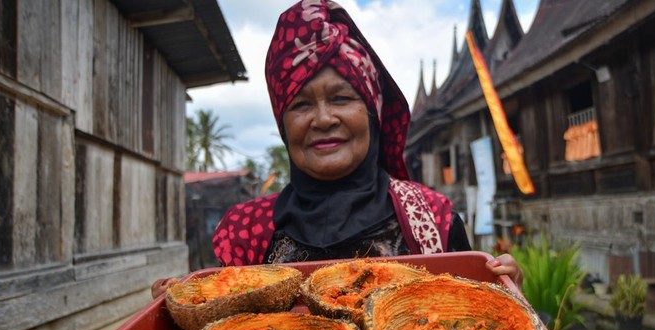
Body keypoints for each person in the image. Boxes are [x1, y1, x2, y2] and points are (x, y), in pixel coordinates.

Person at [151, 0, 521, 299]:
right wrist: (175, 310)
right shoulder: (245, 235)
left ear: (372, 113)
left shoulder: (433, 225)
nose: (324, 118)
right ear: (283, 124)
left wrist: (508, 293)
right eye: (301, 105)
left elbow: (479, 324)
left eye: (342, 98)